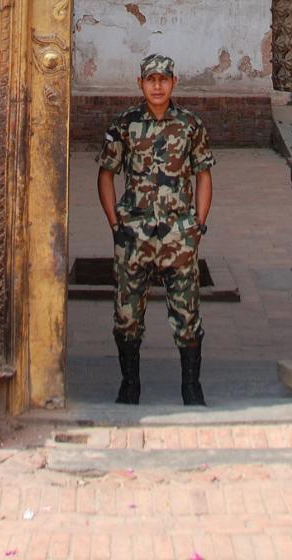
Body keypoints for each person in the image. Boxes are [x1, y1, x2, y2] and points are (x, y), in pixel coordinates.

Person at [96, 54, 214, 406]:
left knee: (187, 314)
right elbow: (106, 174)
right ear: (141, 83)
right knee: (127, 314)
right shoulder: (125, 125)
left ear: (174, 83)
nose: (158, 86)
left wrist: (198, 224)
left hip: (179, 234)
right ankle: (129, 385)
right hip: (135, 236)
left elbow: (203, 174)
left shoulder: (190, 126)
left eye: (164, 79)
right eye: (151, 80)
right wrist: (116, 224)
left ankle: (191, 388)